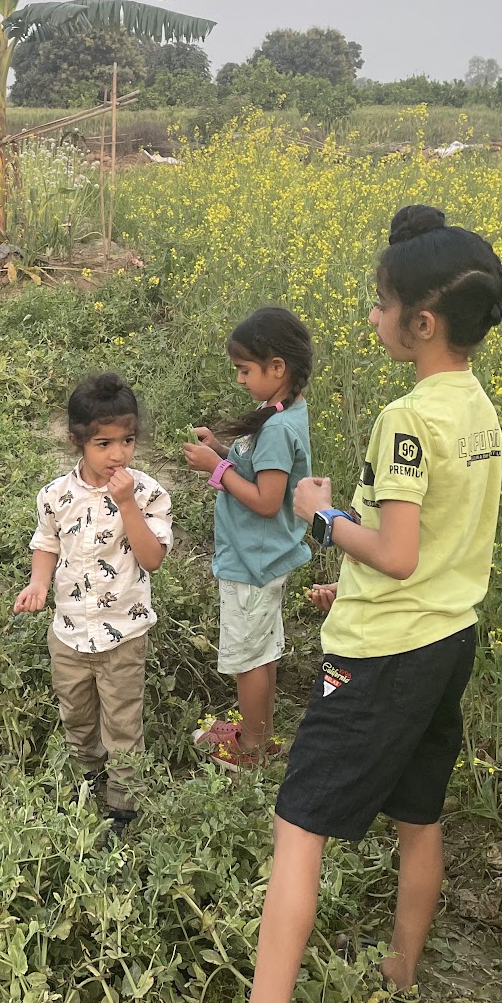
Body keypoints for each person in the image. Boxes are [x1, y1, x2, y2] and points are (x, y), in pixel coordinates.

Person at [250, 204, 502, 1000]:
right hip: (447, 642)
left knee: (298, 824)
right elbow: (437, 544)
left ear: (421, 322)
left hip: (382, 653)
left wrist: (322, 519)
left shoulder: (408, 419)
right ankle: (400, 967)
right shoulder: (478, 409)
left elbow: (395, 554)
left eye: (379, 301)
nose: (371, 314)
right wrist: (350, 577)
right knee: (418, 813)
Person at [13, 373, 173, 834]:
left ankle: (124, 803)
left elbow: (152, 558)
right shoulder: (55, 495)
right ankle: (87, 776)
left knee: (122, 720)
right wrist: (38, 583)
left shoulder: (147, 494)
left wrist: (127, 507)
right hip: (68, 630)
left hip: (124, 631)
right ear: (77, 442)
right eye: (103, 443)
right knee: (76, 711)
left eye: (127, 440)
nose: (118, 454)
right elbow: (46, 543)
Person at [181, 306, 314, 770]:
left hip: (253, 562)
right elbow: (258, 470)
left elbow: (265, 499)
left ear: (278, 368)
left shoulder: (277, 426)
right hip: (262, 557)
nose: (239, 379)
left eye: (245, 370)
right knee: (262, 650)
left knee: (248, 659)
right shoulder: (279, 410)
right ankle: (258, 733)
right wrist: (220, 449)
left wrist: (215, 469)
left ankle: (251, 750)